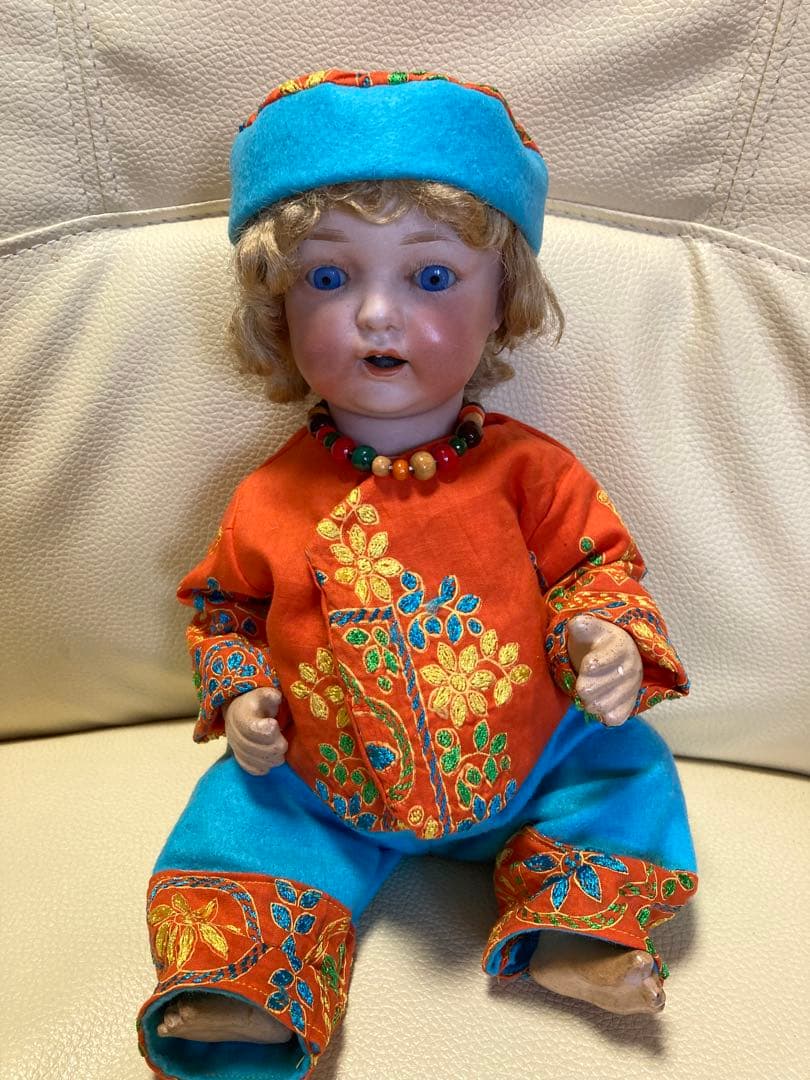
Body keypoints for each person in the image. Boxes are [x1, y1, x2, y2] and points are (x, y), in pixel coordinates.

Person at [137, 69, 698, 1080]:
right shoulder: (269, 496)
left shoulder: (534, 474)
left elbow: (597, 568)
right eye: (328, 278)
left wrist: (607, 639)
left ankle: (572, 929)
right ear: (277, 309)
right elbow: (224, 609)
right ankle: (248, 984)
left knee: (628, 773)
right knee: (236, 820)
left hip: (531, 764)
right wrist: (242, 694)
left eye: (431, 277)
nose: (377, 316)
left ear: (502, 303)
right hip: (327, 779)